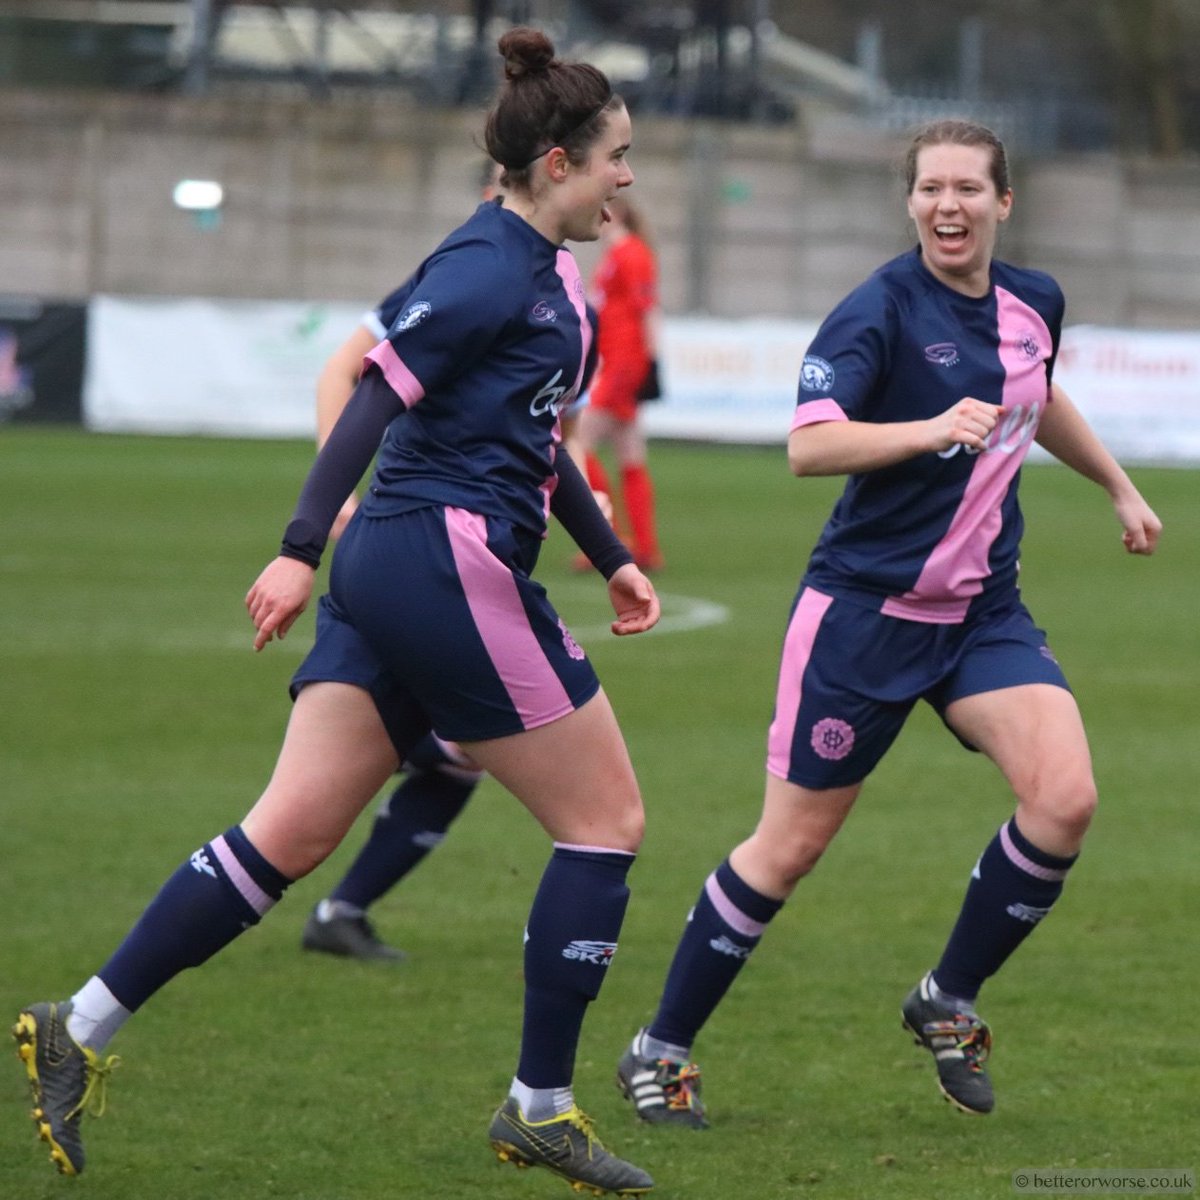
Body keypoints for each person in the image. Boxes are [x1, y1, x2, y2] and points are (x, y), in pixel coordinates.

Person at [15, 27, 660, 1197]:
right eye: (617, 156)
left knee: (290, 834)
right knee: (606, 821)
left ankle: (79, 1025)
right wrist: (299, 548)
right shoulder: (486, 270)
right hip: (439, 563)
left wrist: (608, 554)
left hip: (411, 566)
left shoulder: (538, 270)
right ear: (559, 162)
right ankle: (541, 1109)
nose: (630, 177)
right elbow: (371, 394)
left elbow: (535, 439)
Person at [614, 118, 1162, 1130]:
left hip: (981, 614)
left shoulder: (1033, 301)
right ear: (909, 203)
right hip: (863, 616)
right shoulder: (876, 309)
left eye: (968, 188)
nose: (947, 205)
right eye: (930, 189)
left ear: (1004, 203)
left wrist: (1119, 488)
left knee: (1066, 799)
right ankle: (662, 1048)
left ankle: (947, 998)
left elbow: (1037, 394)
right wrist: (928, 429)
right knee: (786, 850)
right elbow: (808, 447)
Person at [298, 165, 505, 962]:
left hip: (461, 554)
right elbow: (343, 369)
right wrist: (335, 495)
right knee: (449, 751)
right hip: (410, 544)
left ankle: (340, 911)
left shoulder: (545, 288)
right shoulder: (454, 278)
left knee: (450, 759)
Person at [575, 194, 664, 572]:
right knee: (630, 453)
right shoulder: (616, 255)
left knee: (577, 442)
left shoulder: (632, 254)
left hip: (624, 366)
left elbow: (648, 310)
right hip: (615, 362)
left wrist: (652, 363)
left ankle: (606, 540)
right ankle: (645, 548)